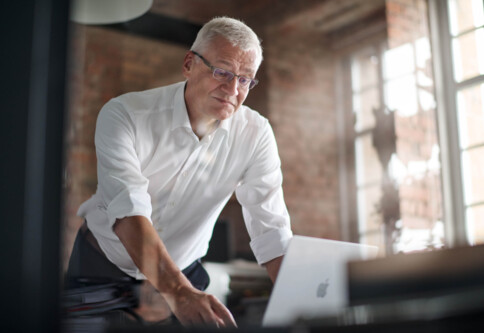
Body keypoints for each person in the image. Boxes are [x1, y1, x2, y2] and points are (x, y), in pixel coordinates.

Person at [68, 16, 292, 327]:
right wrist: (177, 292)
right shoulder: (125, 115)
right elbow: (127, 210)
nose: (232, 89)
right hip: (102, 267)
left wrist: (300, 302)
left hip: (184, 273)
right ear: (189, 64)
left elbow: (271, 229)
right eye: (222, 72)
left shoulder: (256, 133)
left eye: (245, 80)